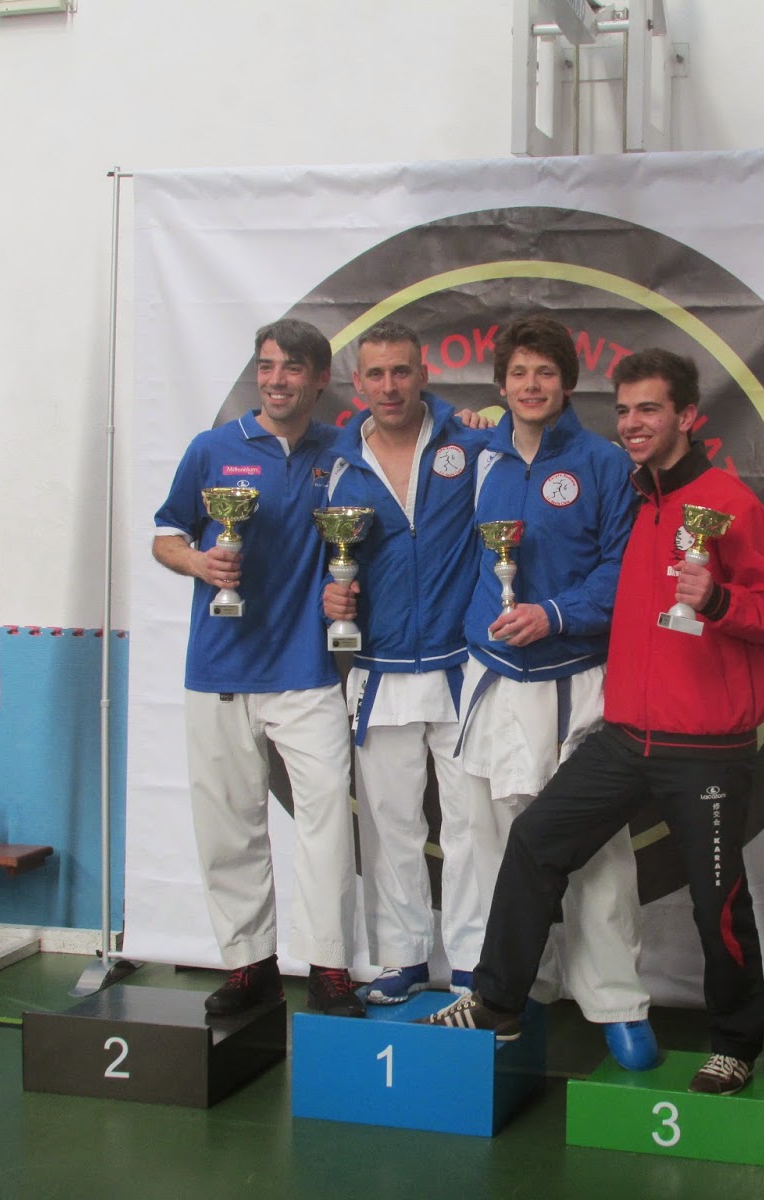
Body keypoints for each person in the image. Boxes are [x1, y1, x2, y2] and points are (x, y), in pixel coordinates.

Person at [423, 348, 764, 1097]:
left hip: (706, 747)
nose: (632, 423)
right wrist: (460, 417)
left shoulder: (729, 504)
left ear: (688, 417)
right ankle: (499, 1002)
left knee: (717, 900)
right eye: (625, 410)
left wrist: (718, 601)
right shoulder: (635, 495)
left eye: (649, 410)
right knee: (535, 840)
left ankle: (734, 1045)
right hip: (628, 736)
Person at [454, 315, 656, 1069]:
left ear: (568, 382)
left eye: (545, 372)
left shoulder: (603, 463)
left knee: (596, 854)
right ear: (500, 384)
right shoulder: (479, 456)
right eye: (518, 373)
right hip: (495, 677)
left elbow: (623, 569)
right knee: (497, 842)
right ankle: (520, 990)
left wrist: (555, 614)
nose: (531, 385)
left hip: (576, 678)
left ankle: (617, 1003)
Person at [152, 317, 364, 1019]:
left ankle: (330, 967)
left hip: (308, 671)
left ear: (319, 379)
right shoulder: (212, 449)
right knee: (228, 827)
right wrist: (199, 562)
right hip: (220, 669)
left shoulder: (343, 451)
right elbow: (165, 534)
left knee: (327, 823)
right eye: (267, 366)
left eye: (292, 368)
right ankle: (250, 967)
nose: (276, 380)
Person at [321, 321, 490, 1004]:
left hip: (461, 664)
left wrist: (483, 421)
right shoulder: (335, 465)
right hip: (380, 665)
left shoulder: (472, 445)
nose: (389, 386)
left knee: (473, 822)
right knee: (390, 823)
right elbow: (320, 562)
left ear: (424, 374)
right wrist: (329, 594)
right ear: (357, 384)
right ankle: (403, 957)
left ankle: (476, 962)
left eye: (400, 371)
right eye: (376, 374)